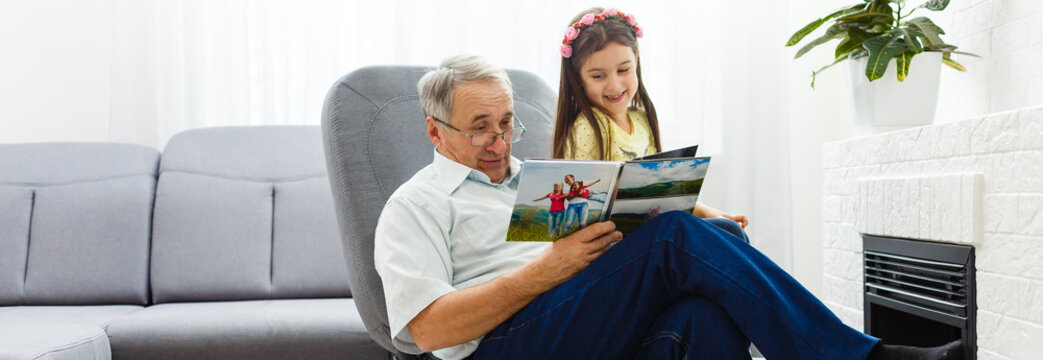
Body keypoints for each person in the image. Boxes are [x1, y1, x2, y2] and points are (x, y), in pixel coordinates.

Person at [373, 54, 962, 360]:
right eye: (481, 129)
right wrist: (547, 270)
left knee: (706, 298)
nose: (501, 143)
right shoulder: (416, 206)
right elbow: (427, 331)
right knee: (675, 239)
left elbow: (631, 208)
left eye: (507, 124)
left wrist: (705, 215)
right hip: (503, 349)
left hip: (575, 321)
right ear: (435, 131)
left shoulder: (543, 180)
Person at [552, 7, 749, 240]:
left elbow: (663, 194)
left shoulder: (642, 120)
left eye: (623, 70)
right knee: (703, 232)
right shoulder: (587, 129)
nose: (614, 85)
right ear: (578, 78)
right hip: (615, 248)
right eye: (598, 76)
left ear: (636, 60)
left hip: (653, 235)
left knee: (731, 232)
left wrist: (709, 212)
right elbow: (580, 208)